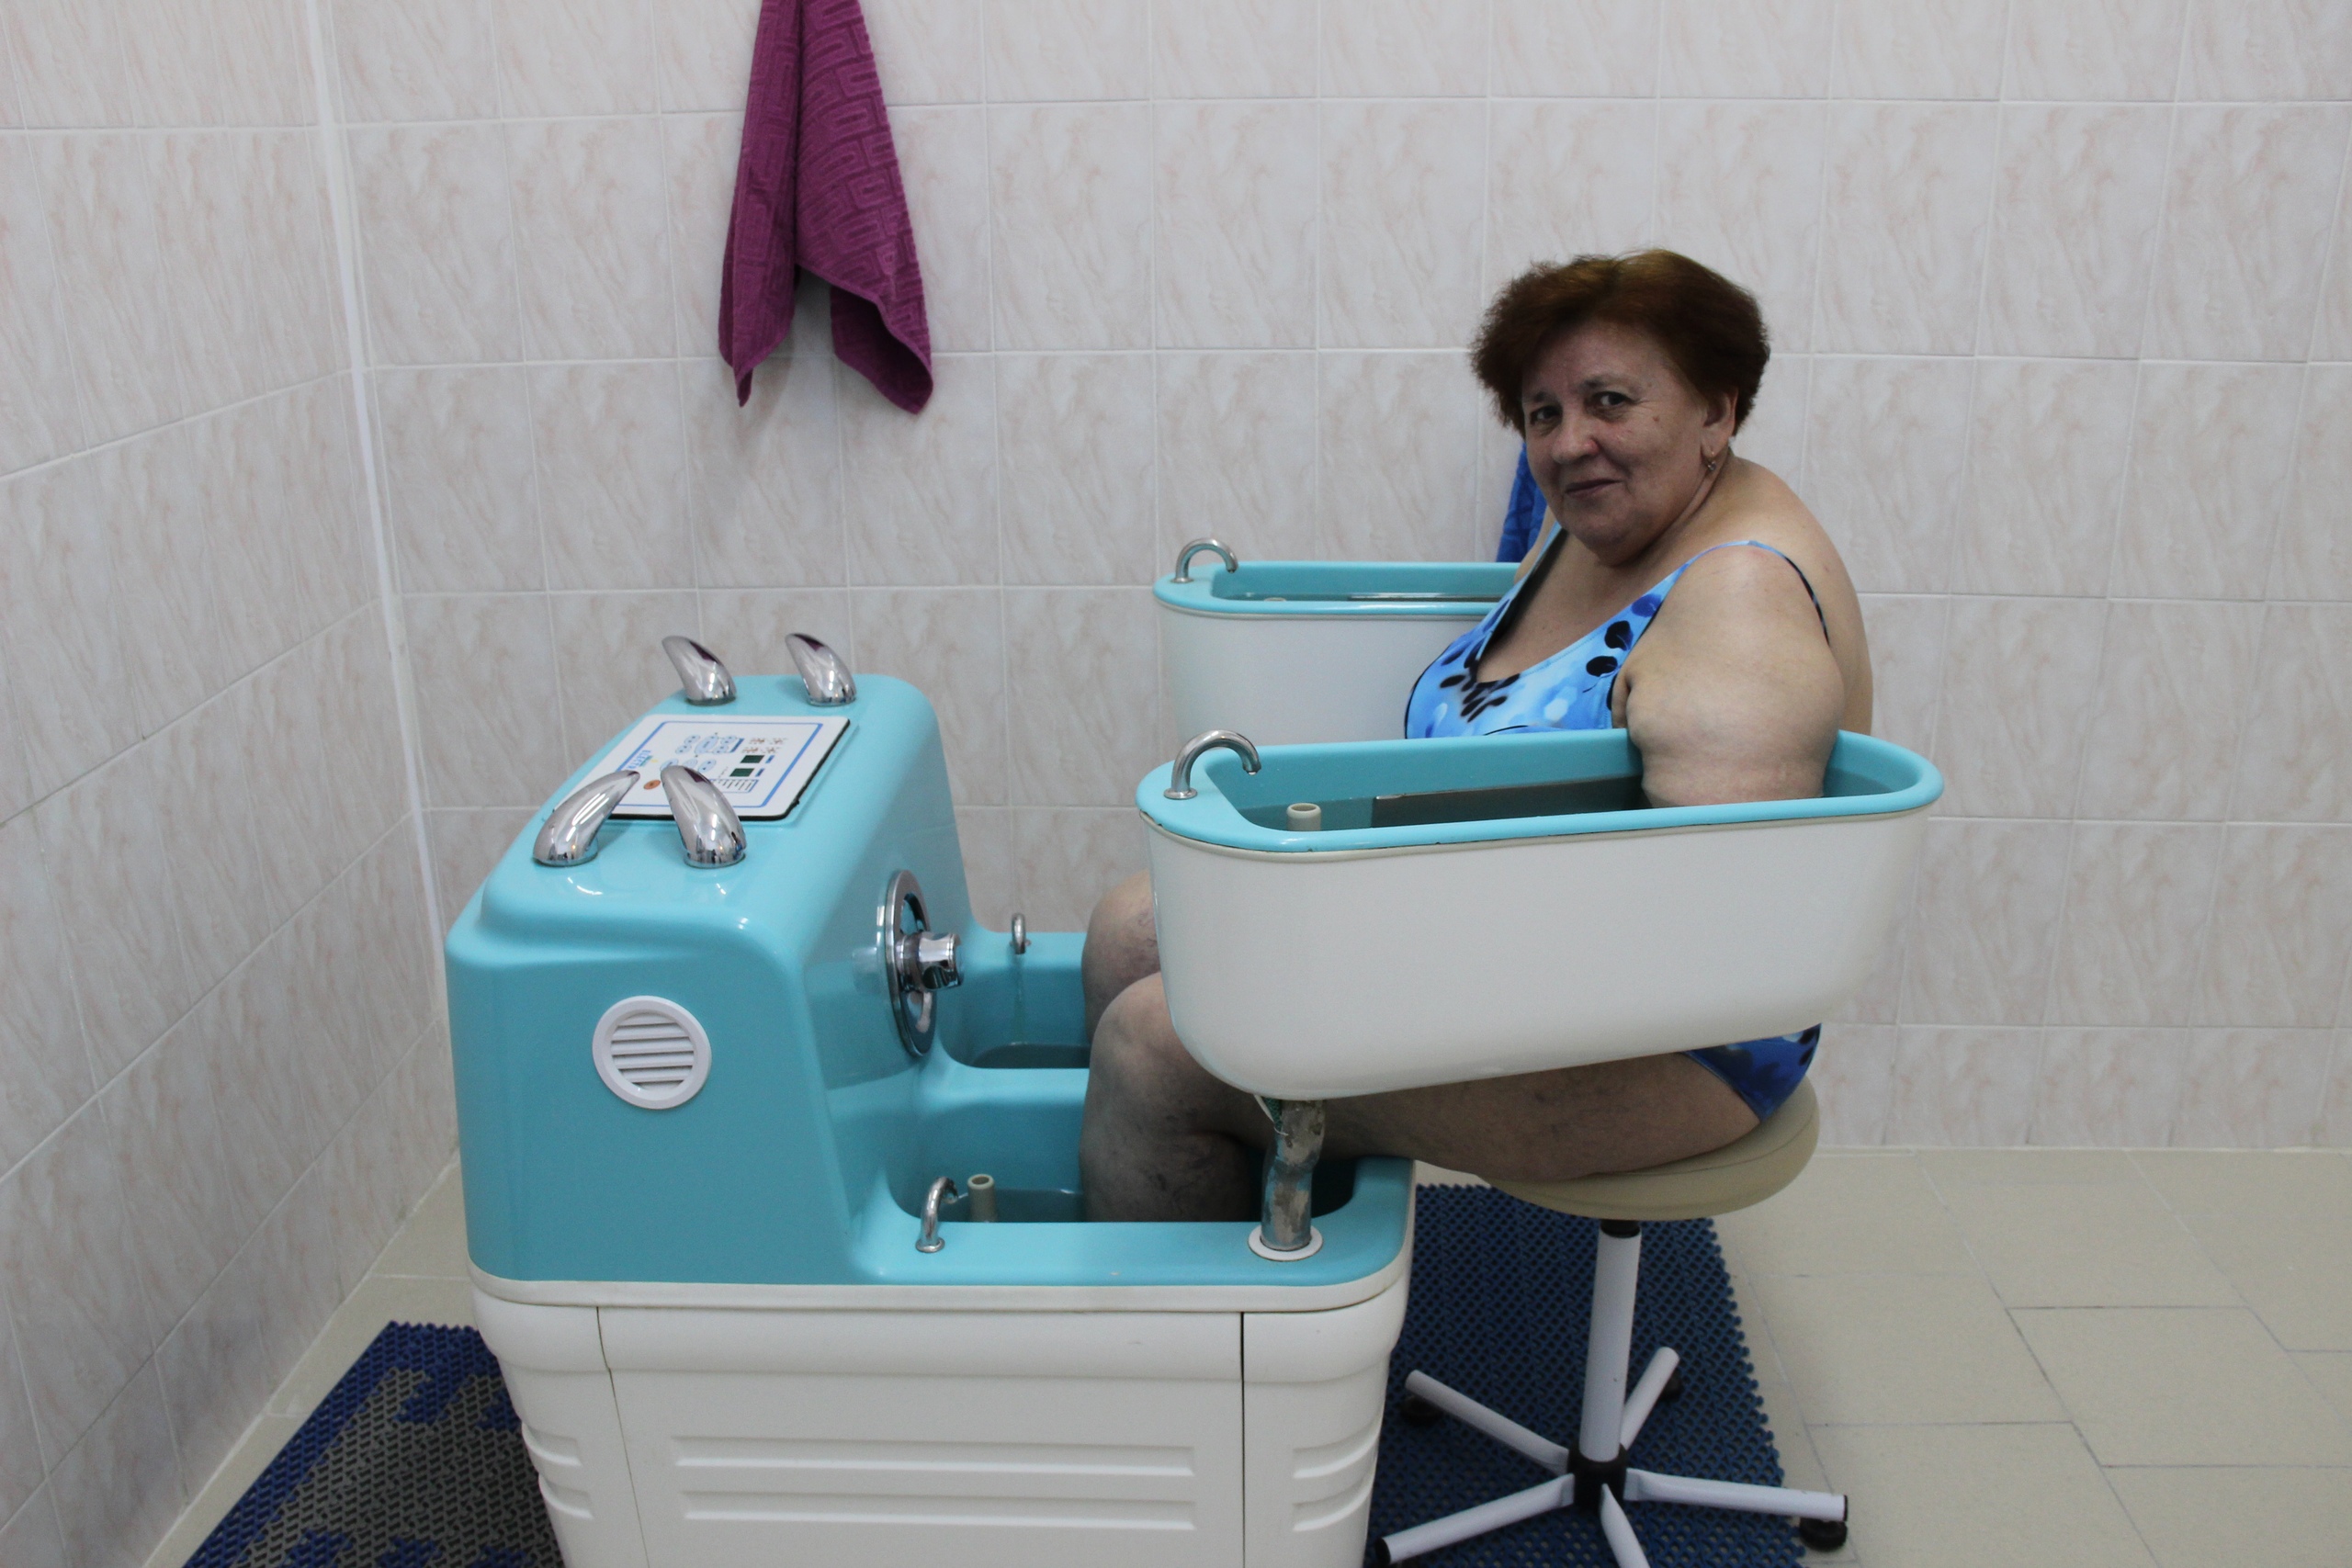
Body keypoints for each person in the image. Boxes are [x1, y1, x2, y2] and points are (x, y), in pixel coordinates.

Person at [1080, 250, 1874, 1223]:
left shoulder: (1739, 603)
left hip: (1664, 1051)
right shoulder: (1595, 525)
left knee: (1152, 1050)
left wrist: (1381, 957)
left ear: (1716, 409)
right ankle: (1271, 1226)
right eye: (1543, 414)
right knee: (1132, 932)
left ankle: (1222, 1317)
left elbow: (1714, 948)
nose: (1569, 443)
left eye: (1610, 402)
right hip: (1502, 951)